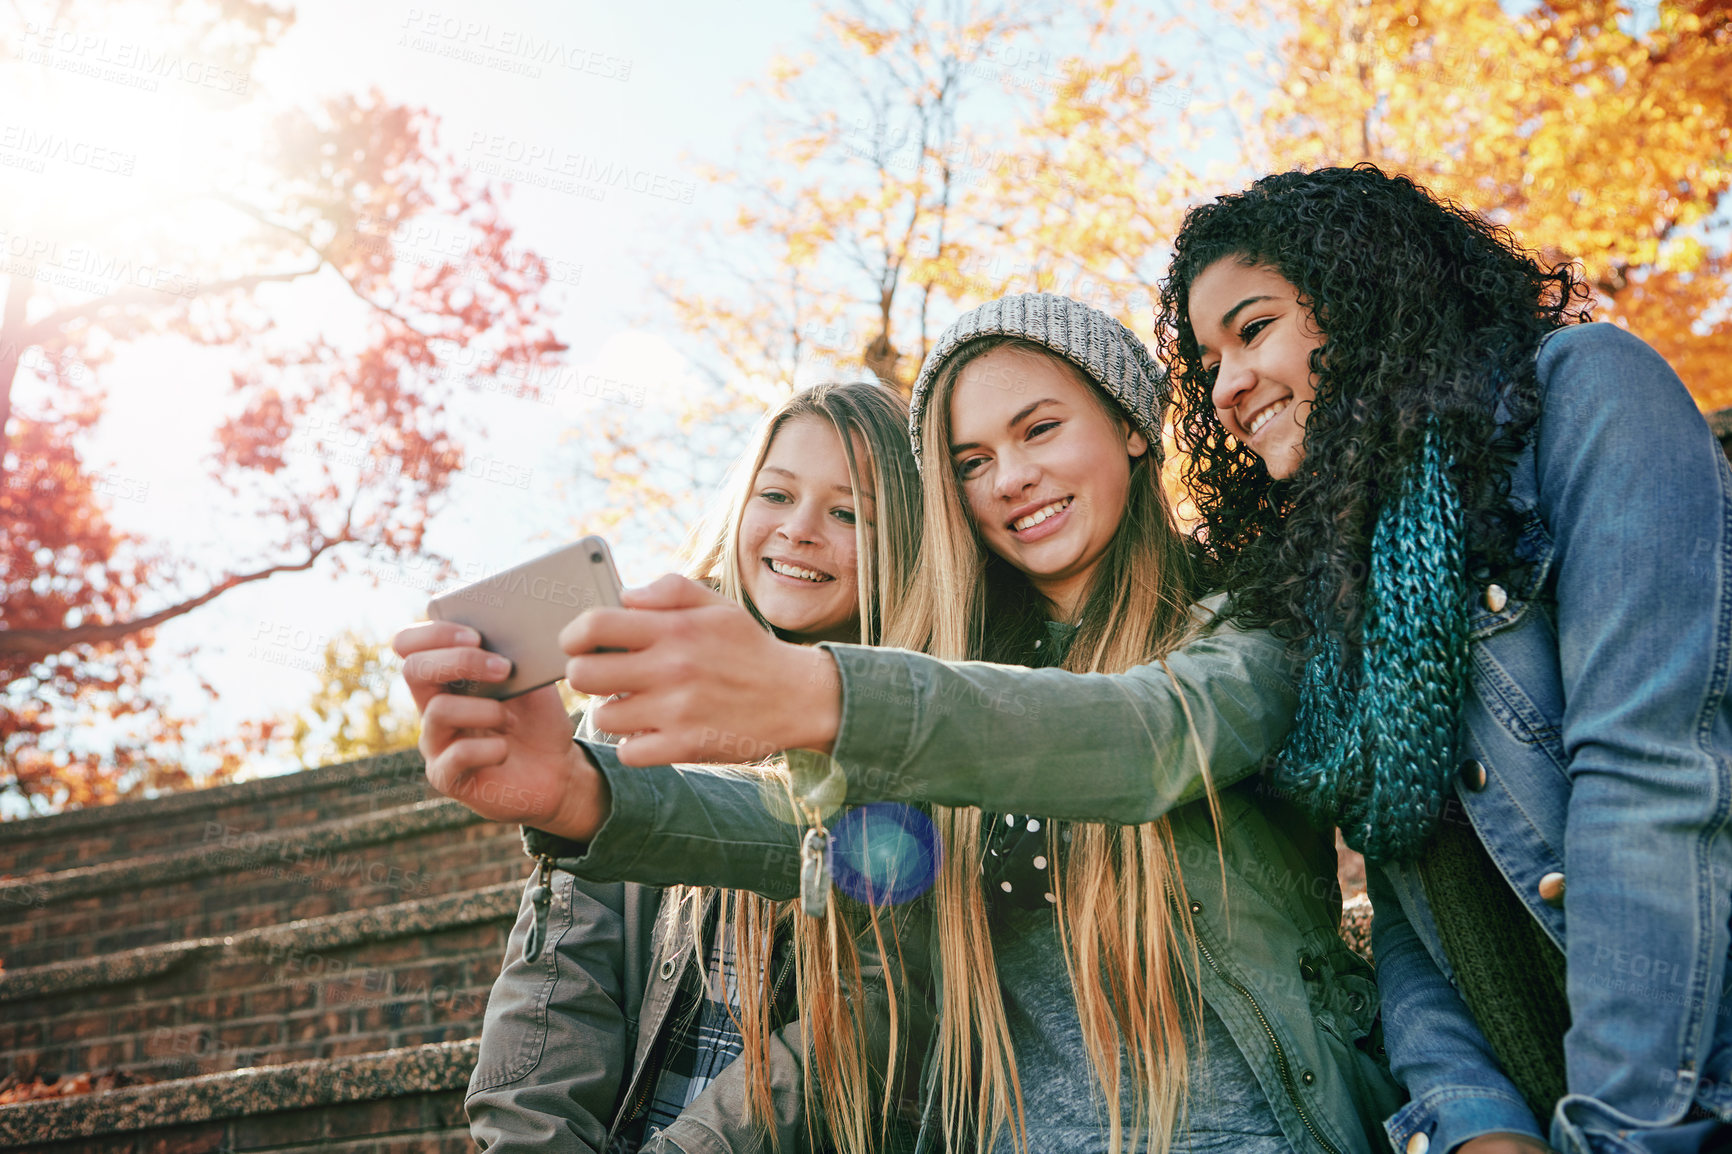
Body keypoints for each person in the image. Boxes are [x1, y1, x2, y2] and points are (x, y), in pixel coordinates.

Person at [542, 295, 1403, 1154]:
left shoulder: (1249, 615)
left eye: (1040, 430)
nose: (1010, 478)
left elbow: (1151, 739)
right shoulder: (965, 675)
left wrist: (823, 694)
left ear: (1131, 426)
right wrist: (580, 797)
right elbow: (832, 846)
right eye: (971, 460)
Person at [1154, 166, 1731, 1154]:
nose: (1227, 387)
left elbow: (1650, 781)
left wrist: (1620, 1129)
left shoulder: (1586, 393)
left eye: (1252, 329)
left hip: (1675, 1088)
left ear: (1363, 290)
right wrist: (1473, 1119)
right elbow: (1407, 904)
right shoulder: (1343, 570)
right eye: (1208, 361)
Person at [394, 381, 926, 1153]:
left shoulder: (911, 731)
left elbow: (877, 1004)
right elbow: (559, 974)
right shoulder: (630, 706)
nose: (800, 530)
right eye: (776, 494)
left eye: (848, 514)